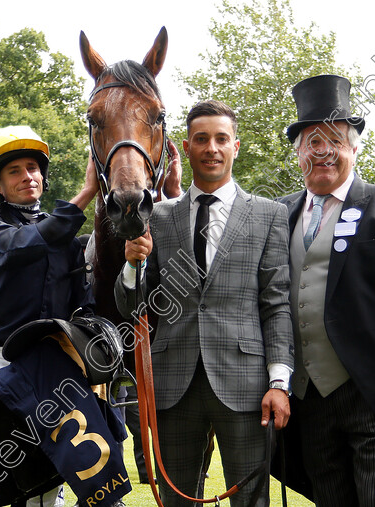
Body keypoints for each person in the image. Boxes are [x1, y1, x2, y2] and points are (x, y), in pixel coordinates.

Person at [115, 99, 294, 507]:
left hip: (246, 385)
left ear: (235, 146)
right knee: (178, 502)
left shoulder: (269, 215)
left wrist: (279, 382)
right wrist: (131, 265)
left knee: (251, 500)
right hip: (172, 383)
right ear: (187, 146)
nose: (211, 148)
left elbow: (277, 305)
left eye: (221, 139)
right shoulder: (156, 217)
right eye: (201, 139)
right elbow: (133, 307)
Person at [276, 74, 375, 506]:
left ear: (352, 147)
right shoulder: (280, 212)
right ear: (298, 153)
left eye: (334, 139)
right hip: (308, 399)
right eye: (312, 141)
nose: (323, 150)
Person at [0, 125, 98, 507]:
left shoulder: (66, 238)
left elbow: (84, 306)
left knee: (47, 478)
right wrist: (84, 196)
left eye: (33, 167)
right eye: (14, 170)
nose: (28, 176)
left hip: (50, 367)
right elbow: (16, 248)